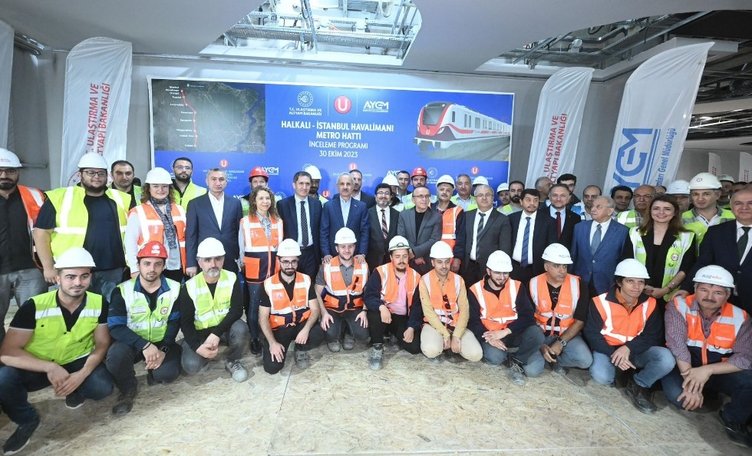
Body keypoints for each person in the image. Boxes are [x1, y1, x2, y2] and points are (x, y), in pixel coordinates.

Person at [0, 248, 113, 454]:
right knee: (3, 378)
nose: (78, 282)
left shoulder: (99, 303)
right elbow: (7, 352)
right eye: (70, 276)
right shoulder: (35, 306)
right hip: (38, 365)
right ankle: (27, 420)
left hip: (76, 360)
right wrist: (50, 367)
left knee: (102, 388)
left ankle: (74, 390)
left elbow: (102, 343)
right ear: (58, 278)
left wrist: (81, 375)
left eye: (84, 276)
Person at [663, 266, 752, 448]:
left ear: (727, 295)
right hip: (684, 367)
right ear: (695, 289)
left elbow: (745, 358)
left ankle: (732, 418)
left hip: (717, 370)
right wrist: (692, 384)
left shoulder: (741, 316)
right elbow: (677, 345)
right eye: (704, 289)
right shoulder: (678, 306)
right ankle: (705, 392)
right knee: (683, 400)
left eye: (718, 292)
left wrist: (707, 370)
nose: (709, 296)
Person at [34, 152, 130, 300]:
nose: (96, 177)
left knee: (108, 310)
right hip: (73, 270)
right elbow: (41, 233)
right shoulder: (59, 198)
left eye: (101, 173)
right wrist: (48, 267)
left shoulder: (121, 199)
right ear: (80, 174)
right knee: (73, 308)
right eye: (90, 172)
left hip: (112, 270)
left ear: (107, 176)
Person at [584, 259, 675, 414]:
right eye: (630, 281)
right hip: (608, 350)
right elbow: (592, 334)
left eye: (641, 282)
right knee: (602, 377)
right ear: (619, 282)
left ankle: (639, 383)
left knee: (666, 359)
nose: (636, 286)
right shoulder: (600, 302)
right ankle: (621, 371)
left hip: (636, 351)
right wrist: (615, 353)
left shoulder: (650, 304)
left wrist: (628, 348)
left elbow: (653, 335)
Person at [106, 241, 181, 416]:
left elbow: (174, 323)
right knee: (115, 357)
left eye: (157, 264)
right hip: (132, 343)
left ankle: (154, 370)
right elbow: (115, 327)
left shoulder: (176, 289)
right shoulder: (122, 291)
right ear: (138, 264)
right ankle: (128, 387)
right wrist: (145, 345)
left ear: (164, 266)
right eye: (147, 263)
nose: (152, 269)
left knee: (167, 375)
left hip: (161, 341)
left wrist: (163, 349)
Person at [468, 250, 544, 385]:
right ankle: (518, 356)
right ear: (488, 271)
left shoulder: (517, 286)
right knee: (495, 357)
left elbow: (528, 316)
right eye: (498, 273)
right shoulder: (475, 290)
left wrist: (506, 331)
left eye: (506, 273)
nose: (502, 277)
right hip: (491, 336)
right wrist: (489, 338)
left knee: (536, 336)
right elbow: (473, 322)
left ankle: (517, 359)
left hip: (514, 334)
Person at [179, 238, 249, 382]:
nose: (213, 264)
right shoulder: (189, 287)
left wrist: (216, 334)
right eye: (207, 260)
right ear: (199, 262)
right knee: (191, 366)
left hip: (224, 328)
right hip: (200, 332)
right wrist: (197, 347)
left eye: (218, 259)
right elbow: (185, 323)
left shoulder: (231, 278)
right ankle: (202, 351)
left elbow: (236, 310)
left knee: (241, 329)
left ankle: (232, 360)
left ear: (223, 259)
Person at [0, 148, 46, 344]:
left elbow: (47, 231)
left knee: (35, 319)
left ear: (18, 172)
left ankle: (30, 358)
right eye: (0, 171)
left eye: (10, 171)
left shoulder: (35, 195)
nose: (4, 175)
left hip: (30, 268)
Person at [680, 187, 752, 313]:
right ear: (731, 207)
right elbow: (702, 263)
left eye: (750, 203)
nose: (744, 207)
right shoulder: (716, 232)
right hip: (720, 301)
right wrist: (686, 288)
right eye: (738, 203)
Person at [258, 239, 324, 374]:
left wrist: (306, 330)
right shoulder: (268, 284)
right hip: (280, 329)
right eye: (286, 261)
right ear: (279, 260)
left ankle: (300, 349)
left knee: (319, 333)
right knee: (272, 368)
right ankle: (271, 345)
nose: (290, 265)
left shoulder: (306, 280)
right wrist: (272, 343)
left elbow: (315, 309)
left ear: (298, 261)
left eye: (294, 261)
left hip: (300, 325)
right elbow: (262, 318)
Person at [530, 244, 592, 385]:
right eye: (557, 266)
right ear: (546, 267)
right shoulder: (533, 283)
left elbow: (580, 321)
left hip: (567, 335)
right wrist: (540, 345)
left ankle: (554, 360)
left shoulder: (579, 284)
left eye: (565, 266)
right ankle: (544, 357)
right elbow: (528, 319)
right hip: (540, 335)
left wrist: (560, 342)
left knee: (585, 360)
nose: (562, 271)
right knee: (532, 371)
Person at [364, 236, 422, 370]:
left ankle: (393, 334)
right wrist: (381, 306)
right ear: (391, 257)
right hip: (384, 314)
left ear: (409, 257)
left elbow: (417, 307)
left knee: (414, 348)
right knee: (375, 314)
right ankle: (377, 346)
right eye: (397, 256)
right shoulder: (380, 272)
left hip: (402, 318)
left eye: (404, 256)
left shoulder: (416, 276)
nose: (401, 260)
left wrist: (411, 327)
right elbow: (369, 296)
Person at [419, 241, 482, 362]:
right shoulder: (424, 280)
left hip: (455, 324)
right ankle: (443, 343)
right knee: (431, 350)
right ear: (432, 262)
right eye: (439, 262)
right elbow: (428, 312)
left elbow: (464, 311)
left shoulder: (459, 280)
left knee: (476, 355)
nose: (444, 266)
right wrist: (445, 333)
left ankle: (451, 344)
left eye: (447, 262)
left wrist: (457, 335)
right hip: (434, 325)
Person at [239, 186, 283, 355]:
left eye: (267, 198)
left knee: (271, 305)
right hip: (255, 270)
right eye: (261, 198)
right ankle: (255, 338)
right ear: (254, 201)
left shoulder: (278, 221)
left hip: (273, 270)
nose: (265, 202)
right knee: (254, 306)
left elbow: (280, 247)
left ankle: (269, 334)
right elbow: (241, 248)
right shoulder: (245, 221)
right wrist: (242, 264)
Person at [628, 195, 695, 304]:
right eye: (656, 208)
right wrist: (642, 286)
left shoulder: (687, 236)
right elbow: (627, 261)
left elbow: (685, 268)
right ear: (650, 211)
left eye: (667, 209)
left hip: (669, 296)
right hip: (638, 292)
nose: (661, 212)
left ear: (675, 212)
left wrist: (665, 290)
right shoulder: (634, 233)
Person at [124, 167, 187, 282]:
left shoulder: (179, 209)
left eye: (164, 186)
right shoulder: (138, 212)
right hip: (151, 267)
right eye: (156, 186)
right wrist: (134, 268)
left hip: (176, 266)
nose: (160, 190)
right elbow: (130, 243)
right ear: (148, 188)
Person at [316, 228, 370, 352]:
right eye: (343, 247)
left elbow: (368, 291)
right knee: (329, 332)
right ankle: (334, 337)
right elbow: (317, 293)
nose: (347, 250)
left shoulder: (363, 265)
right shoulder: (326, 266)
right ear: (337, 248)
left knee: (363, 334)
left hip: (354, 309)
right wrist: (323, 313)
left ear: (354, 247)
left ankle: (349, 333)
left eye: (350, 246)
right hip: (332, 309)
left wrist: (364, 311)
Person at [185, 168, 243, 276]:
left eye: (221, 179)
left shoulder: (235, 203)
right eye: (213, 179)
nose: (218, 183)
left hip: (230, 258)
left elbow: (239, 233)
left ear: (226, 182)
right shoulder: (195, 204)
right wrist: (191, 263)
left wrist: (241, 258)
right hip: (205, 259)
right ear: (207, 181)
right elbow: (191, 235)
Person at [571, 196, 632, 295]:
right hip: (580, 282)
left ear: (610, 211)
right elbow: (574, 254)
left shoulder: (622, 231)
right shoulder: (579, 227)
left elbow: (624, 260)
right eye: (593, 206)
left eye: (598, 207)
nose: (593, 209)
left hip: (607, 284)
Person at [460, 184, 512, 286]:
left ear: (493, 198)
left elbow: (505, 248)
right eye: (480, 195)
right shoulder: (467, 215)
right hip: (468, 266)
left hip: (490, 269)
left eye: (487, 195)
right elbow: (462, 240)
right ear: (475, 198)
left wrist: (499, 269)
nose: (484, 198)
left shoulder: (502, 219)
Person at [276, 170, 322, 279]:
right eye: (301, 183)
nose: (304, 187)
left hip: (311, 254)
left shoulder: (317, 204)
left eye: (307, 184)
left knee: (309, 285)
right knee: (291, 284)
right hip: (291, 255)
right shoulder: (283, 205)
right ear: (294, 185)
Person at [509, 189, 556, 284]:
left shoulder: (548, 221)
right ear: (521, 201)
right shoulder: (511, 218)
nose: (532, 203)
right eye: (528, 200)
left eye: (535, 200)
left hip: (537, 269)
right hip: (513, 268)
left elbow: (551, 246)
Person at [320, 173, 369, 263]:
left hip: (356, 257)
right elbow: (324, 232)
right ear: (337, 186)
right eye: (342, 184)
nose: (345, 187)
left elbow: (364, 232)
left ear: (353, 186)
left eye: (348, 184)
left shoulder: (361, 206)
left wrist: (362, 253)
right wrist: (326, 253)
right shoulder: (328, 206)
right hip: (333, 256)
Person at [397, 185, 441, 275]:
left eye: (427, 196)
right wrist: (414, 255)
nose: (424, 199)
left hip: (426, 261)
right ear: (413, 199)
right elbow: (401, 236)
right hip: (407, 260)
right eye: (420, 196)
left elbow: (434, 239)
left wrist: (415, 252)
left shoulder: (436, 216)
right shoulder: (404, 215)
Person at [682, 172, 735, 246]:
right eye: (695, 194)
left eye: (706, 194)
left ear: (718, 195)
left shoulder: (733, 217)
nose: (700, 199)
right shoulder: (680, 219)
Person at [432, 174, 465, 273]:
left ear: (452, 193)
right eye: (442, 189)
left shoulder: (458, 211)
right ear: (437, 191)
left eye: (448, 190)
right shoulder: (429, 208)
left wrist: (457, 258)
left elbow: (461, 237)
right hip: (431, 257)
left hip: (449, 258)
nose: (444, 192)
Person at [366, 183, 399, 271]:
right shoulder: (367, 213)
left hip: (392, 261)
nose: (383, 196)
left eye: (387, 193)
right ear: (375, 196)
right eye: (380, 193)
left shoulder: (397, 215)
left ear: (391, 196)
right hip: (372, 261)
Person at [548, 183, 581, 249]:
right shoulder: (538, 215)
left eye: (563, 196)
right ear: (549, 196)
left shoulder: (576, 218)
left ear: (569, 197)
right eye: (555, 195)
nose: (558, 199)